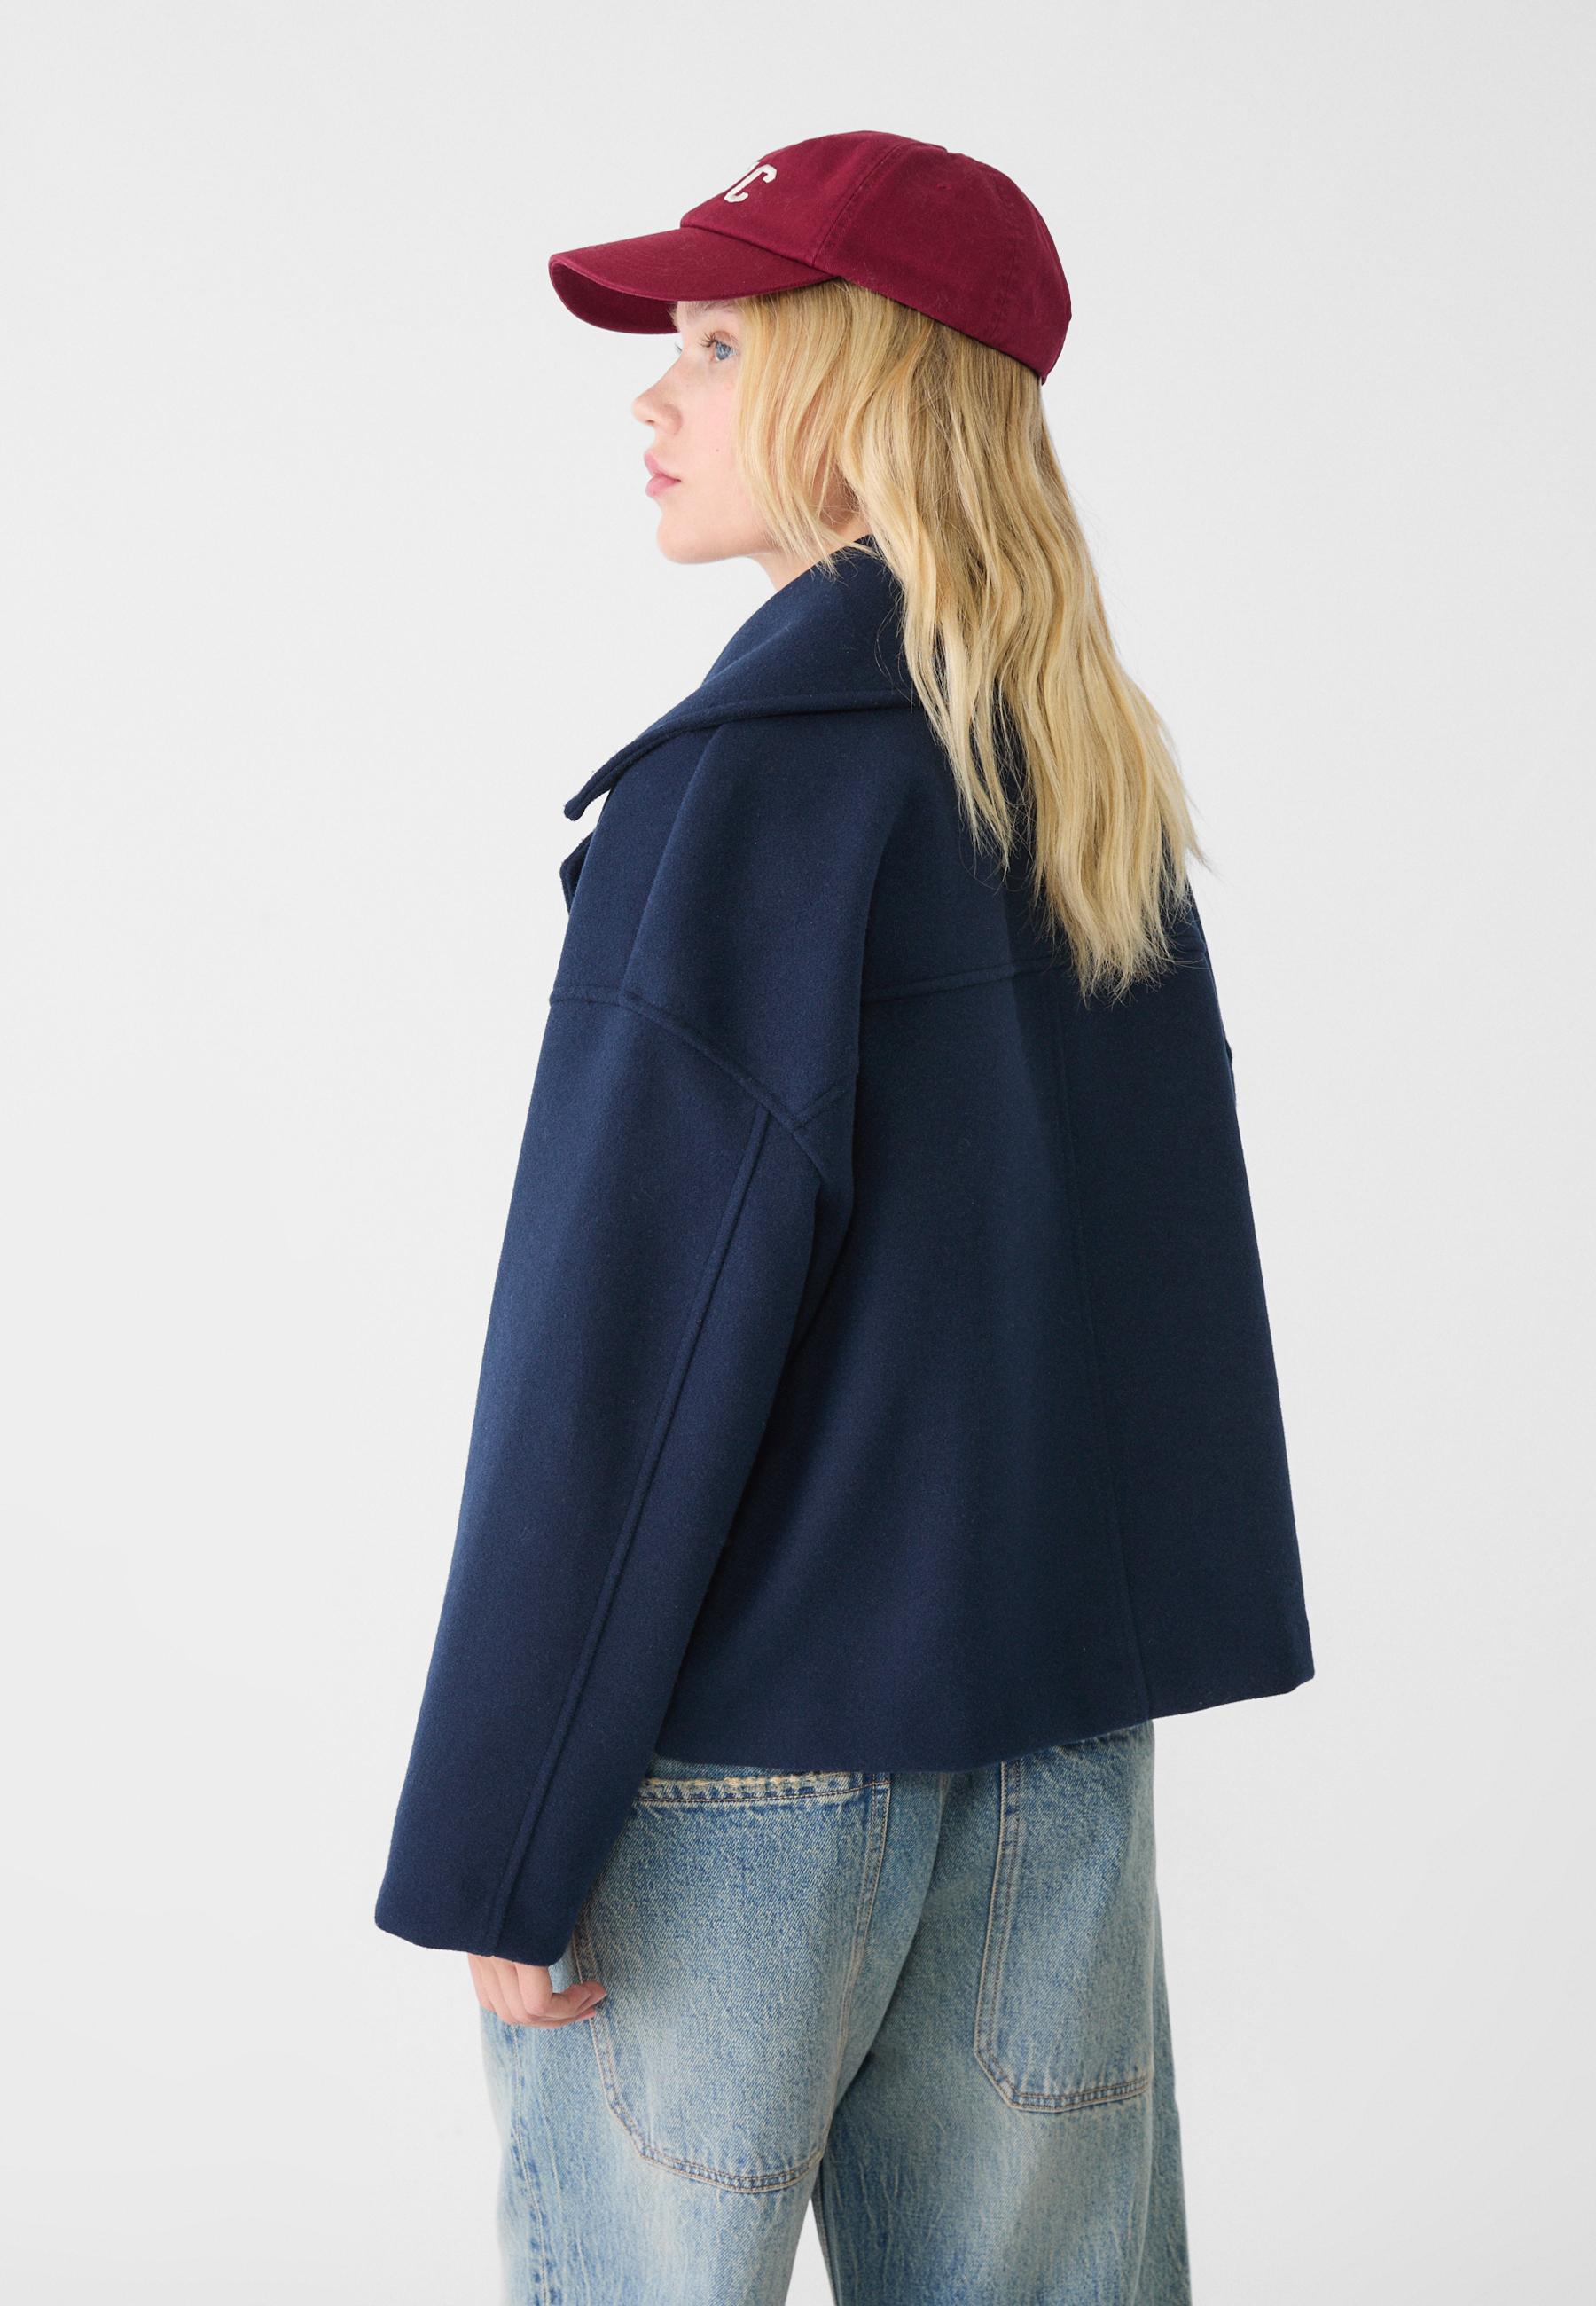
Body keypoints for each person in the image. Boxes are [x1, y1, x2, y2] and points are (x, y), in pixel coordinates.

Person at [374, 129, 1314, 2305]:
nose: (652, 393)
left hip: (738, 1772)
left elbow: (624, 1347)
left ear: (867, 386)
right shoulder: (1080, 784)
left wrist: (505, 1828)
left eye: (718, 345)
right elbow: (1154, 1311)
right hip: (1048, 1755)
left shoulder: (746, 792)